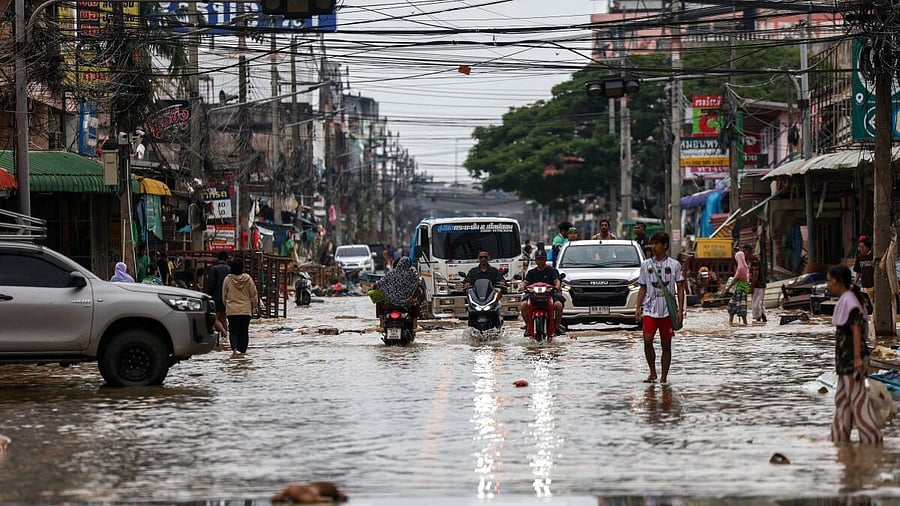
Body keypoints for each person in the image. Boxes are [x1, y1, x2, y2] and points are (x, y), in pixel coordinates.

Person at [827, 264, 882, 444]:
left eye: (830, 281)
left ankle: (872, 440)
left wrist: (858, 358)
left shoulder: (850, 301)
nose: (828, 285)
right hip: (844, 361)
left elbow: (856, 330)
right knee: (841, 400)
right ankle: (839, 439)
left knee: (858, 401)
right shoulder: (846, 299)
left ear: (839, 281)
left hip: (852, 360)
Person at [635, 231, 685, 384]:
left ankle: (664, 377)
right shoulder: (645, 265)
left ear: (665, 246)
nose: (654, 247)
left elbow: (680, 287)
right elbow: (642, 287)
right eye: (653, 243)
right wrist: (638, 308)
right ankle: (652, 372)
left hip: (667, 311)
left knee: (666, 344)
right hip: (650, 309)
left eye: (657, 243)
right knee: (647, 340)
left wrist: (680, 310)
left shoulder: (674, 265)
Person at [519, 250, 565, 337]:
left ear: (545, 259)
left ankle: (556, 327)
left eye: (542, 259)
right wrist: (522, 286)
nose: (540, 261)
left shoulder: (552, 271)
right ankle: (528, 327)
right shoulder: (531, 272)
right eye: (538, 259)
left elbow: (556, 281)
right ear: (535, 260)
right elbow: (525, 282)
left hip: (549, 295)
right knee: (523, 305)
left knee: (558, 305)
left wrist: (557, 286)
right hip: (533, 296)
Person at [222, 258, 259, 358]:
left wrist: (228, 306)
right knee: (244, 332)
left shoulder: (227, 279)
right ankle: (242, 353)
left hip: (232, 310)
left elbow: (224, 295)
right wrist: (254, 305)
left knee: (233, 331)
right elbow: (254, 294)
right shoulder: (248, 279)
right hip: (246, 311)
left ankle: (234, 350)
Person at [374, 257, 422, 331]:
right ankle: (414, 325)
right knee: (416, 302)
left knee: (379, 301)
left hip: (390, 303)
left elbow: (379, 284)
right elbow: (418, 285)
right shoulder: (411, 275)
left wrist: (373, 287)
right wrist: (415, 273)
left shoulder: (390, 273)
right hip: (406, 303)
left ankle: (381, 324)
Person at [204, 251, 231, 340]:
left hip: (216, 297)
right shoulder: (229, 269)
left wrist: (208, 295)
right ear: (227, 259)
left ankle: (223, 332)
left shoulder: (214, 269)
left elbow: (210, 284)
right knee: (224, 318)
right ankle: (225, 340)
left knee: (214, 318)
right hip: (227, 298)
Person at [725, 250, 750, 326]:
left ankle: (744, 323)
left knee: (740, 307)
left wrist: (728, 288)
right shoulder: (745, 266)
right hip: (741, 290)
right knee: (732, 305)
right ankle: (731, 323)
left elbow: (735, 279)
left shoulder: (741, 268)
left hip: (740, 290)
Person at [743, 244, 767, 322]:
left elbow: (755, 275)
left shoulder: (754, 259)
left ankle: (758, 320)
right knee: (759, 303)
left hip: (758, 285)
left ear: (748, 251)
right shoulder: (753, 258)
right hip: (759, 284)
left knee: (756, 304)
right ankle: (763, 319)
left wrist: (751, 287)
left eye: (744, 251)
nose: (744, 254)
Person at [854, 235, 874, 302]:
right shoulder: (859, 257)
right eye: (859, 247)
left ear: (868, 247)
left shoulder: (873, 256)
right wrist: (855, 283)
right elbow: (858, 271)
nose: (860, 249)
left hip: (874, 285)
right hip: (864, 285)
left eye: (862, 247)